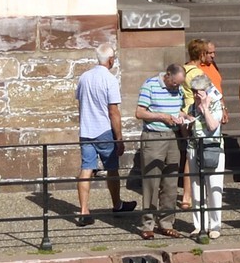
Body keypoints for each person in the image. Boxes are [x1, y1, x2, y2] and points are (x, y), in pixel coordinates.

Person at [135, 58, 191, 240]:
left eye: (179, 84)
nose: (177, 87)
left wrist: (185, 117)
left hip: (173, 137)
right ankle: (147, 224)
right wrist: (162, 117)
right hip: (154, 137)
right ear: (168, 76)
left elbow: (178, 110)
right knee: (151, 181)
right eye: (175, 83)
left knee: (171, 181)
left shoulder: (179, 88)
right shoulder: (150, 85)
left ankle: (166, 222)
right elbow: (140, 112)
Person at [75, 43, 124, 225]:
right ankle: (117, 204)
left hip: (86, 130)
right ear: (110, 59)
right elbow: (113, 111)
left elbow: (80, 103)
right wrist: (119, 138)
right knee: (112, 169)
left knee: (86, 169)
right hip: (104, 130)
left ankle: (83, 210)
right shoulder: (109, 79)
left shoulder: (84, 77)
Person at [187, 67, 225, 237]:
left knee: (214, 187)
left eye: (199, 92)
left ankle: (215, 225)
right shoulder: (191, 107)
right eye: (194, 92)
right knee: (196, 187)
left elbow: (213, 126)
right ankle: (199, 224)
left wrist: (205, 108)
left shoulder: (216, 104)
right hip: (194, 147)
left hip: (212, 148)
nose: (196, 95)